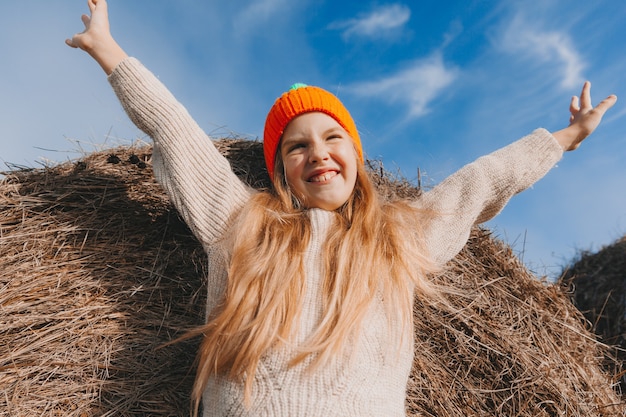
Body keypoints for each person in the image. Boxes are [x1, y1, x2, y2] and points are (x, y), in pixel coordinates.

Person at [66, 1, 617, 416]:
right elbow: (175, 130)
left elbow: (481, 181)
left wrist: (566, 136)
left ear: (356, 153)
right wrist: (108, 50)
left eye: (332, 137)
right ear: (281, 169)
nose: (318, 154)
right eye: (296, 145)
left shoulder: (400, 240)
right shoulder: (241, 225)